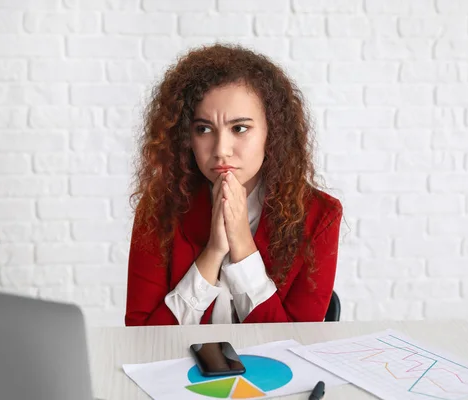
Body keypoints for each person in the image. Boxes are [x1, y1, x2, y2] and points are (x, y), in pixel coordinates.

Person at [125, 44, 342, 326]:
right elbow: (142, 336)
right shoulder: (160, 207)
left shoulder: (319, 215)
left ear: (272, 133)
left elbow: (296, 344)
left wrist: (241, 242)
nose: (221, 149)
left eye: (239, 128)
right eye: (203, 129)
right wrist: (213, 252)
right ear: (186, 137)